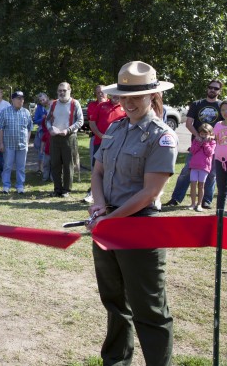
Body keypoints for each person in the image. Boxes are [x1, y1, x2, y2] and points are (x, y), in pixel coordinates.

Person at [87, 61, 177, 366]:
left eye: (136, 97)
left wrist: (107, 220)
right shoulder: (114, 128)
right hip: (106, 223)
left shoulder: (161, 135)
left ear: (152, 96)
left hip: (139, 227)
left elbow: (149, 192)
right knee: (114, 303)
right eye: (124, 97)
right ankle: (116, 361)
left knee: (149, 309)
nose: (128, 103)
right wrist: (99, 207)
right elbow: (98, 172)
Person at [163, 79, 223, 208]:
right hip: (196, 146)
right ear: (207, 88)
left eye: (216, 88)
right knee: (186, 172)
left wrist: (211, 137)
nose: (212, 90)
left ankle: (206, 201)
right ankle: (176, 199)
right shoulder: (197, 104)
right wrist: (198, 137)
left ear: (220, 91)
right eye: (210, 87)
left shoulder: (221, 106)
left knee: (211, 174)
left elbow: (224, 127)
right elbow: (189, 122)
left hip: (213, 147)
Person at [85, 94, 126, 203]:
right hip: (100, 142)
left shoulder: (125, 107)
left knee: (115, 168)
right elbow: (92, 122)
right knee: (96, 169)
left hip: (117, 144)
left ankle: (111, 194)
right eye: (114, 94)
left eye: (118, 94)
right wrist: (100, 135)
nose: (116, 96)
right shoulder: (101, 105)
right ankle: (92, 193)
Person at [45, 82, 83, 197]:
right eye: (59, 90)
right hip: (55, 137)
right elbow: (47, 120)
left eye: (64, 90)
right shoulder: (54, 104)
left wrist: (68, 130)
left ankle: (66, 190)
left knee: (68, 165)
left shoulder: (75, 103)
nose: (61, 93)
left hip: (69, 137)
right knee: (55, 164)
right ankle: (57, 189)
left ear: (69, 91)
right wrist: (50, 129)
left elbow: (80, 121)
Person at [0, 91, 33, 194]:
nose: (20, 100)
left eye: (22, 98)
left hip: (22, 145)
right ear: (12, 100)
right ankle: (6, 186)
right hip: (8, 145)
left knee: (21, 167)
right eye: (18, 98)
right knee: (7, 166)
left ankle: (20, 186)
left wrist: (27, 142)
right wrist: (1, 143)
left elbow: (29, 128)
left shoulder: (26, 112)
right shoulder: (5, 111)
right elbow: (0, 128)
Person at [83, 86, 108, 202]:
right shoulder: (93, 105)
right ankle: (92, 192)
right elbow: (93, 120)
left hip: (111, 141)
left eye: (102, 92)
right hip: (97, 139)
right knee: (95, 166)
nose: (100, 94)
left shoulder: (113, 104)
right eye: (98, 93)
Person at [188, 123, 216, 212]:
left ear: (210, 134)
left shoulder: (212, 142)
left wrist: (206, 144)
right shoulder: (196, 141)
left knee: (201, 186)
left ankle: (199, 204)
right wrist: (199, 143)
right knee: (193, 185)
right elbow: (192, 151)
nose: (203, 136)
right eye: (202, 134)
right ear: (199, 133)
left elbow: (210, 153)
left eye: (205, 134)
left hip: (204, 167)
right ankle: (192, 203)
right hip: (194, 166)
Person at [212, 102, 227, 211]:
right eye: (222, 110)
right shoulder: (218, 125)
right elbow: (216, 141)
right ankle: (219, 213)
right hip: (219, 161)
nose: (225, 112)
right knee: (221, 189)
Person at [32, 93, 50, 175]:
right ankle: (40, 169)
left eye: (43, 99)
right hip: (42, 131)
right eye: (40, 100)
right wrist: (42, 119)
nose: (43, 101)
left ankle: (50, 169)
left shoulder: (52, 105)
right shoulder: (39, 108)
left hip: (51, 131)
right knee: (41, 150)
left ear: (47, 98)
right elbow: (35, 120)